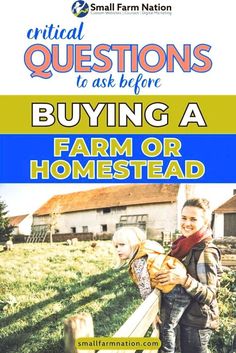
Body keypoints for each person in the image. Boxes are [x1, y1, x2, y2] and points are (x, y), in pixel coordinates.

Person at [156, 198, 222, 353]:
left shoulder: (206, 251)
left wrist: (183, 279)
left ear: (205, 223)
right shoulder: (182, 244)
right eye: (184, 218)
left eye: (193, 219)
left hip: (196, 323)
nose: (186, 223)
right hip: (182, 316)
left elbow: (210, 295)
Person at [112, 226, 192, 353]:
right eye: (116, 246)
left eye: (122, 244)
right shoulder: (147, 253)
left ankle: (167, 351)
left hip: (176, 291)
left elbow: (144, 287)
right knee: (171, 325)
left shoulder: (138, 261)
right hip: (177, 289)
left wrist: (152, 314)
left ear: (133, 244)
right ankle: (175, 349)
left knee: (167, 327)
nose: (118, 249)